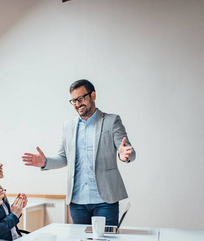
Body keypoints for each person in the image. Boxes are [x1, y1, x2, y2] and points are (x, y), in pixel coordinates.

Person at [22, 79, 135, 225]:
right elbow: (63, 157)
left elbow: (129, 152)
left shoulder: (111, 121)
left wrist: (124, 155)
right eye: (73, 100)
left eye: (81, 99)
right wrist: (45, 162)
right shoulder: (68, 126)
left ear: (93, 95)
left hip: (105, 200)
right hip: (77, 202)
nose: (77, 104)